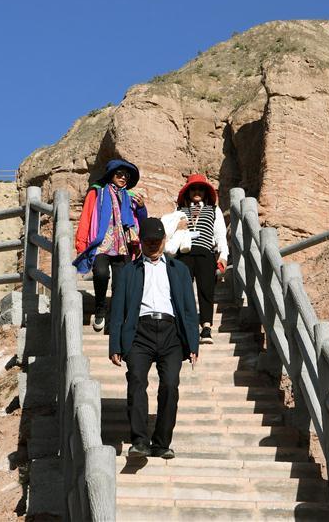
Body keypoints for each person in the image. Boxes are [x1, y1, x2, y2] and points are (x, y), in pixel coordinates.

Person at [108, 218, 200, 459]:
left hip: (171, 333)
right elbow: (117, 310)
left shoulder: (180, 270)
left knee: (170, 385)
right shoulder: (129, 271)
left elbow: (190, 310)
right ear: (141, 242)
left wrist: (193, 344)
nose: (153, 246)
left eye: (157, 242)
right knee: (137, 380)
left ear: (164, 241)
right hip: (140, 332)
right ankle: (139, 440)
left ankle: (161, 443)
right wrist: (114, 344)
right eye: (148, 241)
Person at [73, 158, 147, 332]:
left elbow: (142, 222)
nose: (123, 178)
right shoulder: (96, 193)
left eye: (126, 175)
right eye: (119, 174)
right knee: (100, 273)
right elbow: (86, 218)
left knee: (121, 283)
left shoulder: (130, 197)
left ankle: (114, 318)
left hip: (124, 245)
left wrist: (142, 208)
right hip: (102, 243)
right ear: (111, 175)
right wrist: (81, 244)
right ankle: (100, 308)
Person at [174, 174, 228, 345]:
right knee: (183, 289)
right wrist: (177, 227)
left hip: (205, 253)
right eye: (193, 189)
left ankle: (206, 326)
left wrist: (223, 256)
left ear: (205, 193)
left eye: (200, 189)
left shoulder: (214, 210)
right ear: (188, 192)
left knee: (206, 289)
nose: (196, 192)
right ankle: (185, 325)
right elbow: (170, 233)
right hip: (184, 254)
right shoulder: (179, 211)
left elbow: (220, 236)